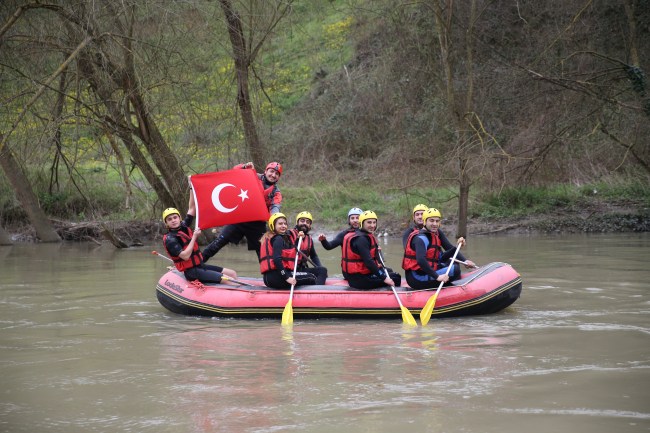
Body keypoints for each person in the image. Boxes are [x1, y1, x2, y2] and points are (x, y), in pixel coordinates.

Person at [206, 161, 283, 260]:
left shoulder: (276, 193)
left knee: (264, 254)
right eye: (271, 171)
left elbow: (275, 208)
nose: (273, 175)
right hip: (240, 218)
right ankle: (198, 263)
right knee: (218, 243)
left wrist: (277, 221)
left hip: (257, 225)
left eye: (276, 174)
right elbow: (235, 170)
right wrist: (244, 166)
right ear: (266, 171)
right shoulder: (252, 175)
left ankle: (270, 275)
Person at [162, 192, 237, 285]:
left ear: (179, 218)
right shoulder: (170, 239)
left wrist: (191, 188)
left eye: (175, 217)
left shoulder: (184, 226)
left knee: (232, 273)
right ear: (166, 224)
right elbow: (185, 256)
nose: (173, 220)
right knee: (228, 280)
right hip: (191, 272)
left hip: (200, 266)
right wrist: (194, 236)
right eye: (169, 219)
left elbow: (192, 208)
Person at [402, 208, 476, 290]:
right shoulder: (420, 238)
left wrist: (457, 247)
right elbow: (421, 260)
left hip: (426, 272)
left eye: (437, 221)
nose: (435, 224)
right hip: (417, 277)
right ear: (424, 222)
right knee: (455, 270)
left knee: (453, 265)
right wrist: (437, 277)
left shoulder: (432, 235)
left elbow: (440, 258)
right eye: (431, 221)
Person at [341, 210, 402, 290]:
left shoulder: (365, 235)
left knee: (389, 270)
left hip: (361, 274)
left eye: (374, 222)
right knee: (396, 277)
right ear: (362, 223)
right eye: (369, 223)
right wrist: (385, 278)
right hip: (359, 279)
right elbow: (369, 262)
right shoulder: (361, 239)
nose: (372, 225)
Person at [259, 213, 320, 289]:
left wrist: (298, 239)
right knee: (312, 277)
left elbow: (292, 252)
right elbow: (277, 259)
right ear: (273, 225)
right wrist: (287, 277)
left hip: (268, 278)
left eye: (285, 224)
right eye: (280, 224)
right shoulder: (278, 239)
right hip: (277, 277)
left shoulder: (269, 237)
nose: (283, 226)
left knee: (309, 276)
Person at [289, 211, 328, 284]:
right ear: (297, 223)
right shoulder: (289, 234)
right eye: (302, 221)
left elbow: (314, 256)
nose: (305, 223)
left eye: (307, 222)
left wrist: (319, 268)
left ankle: (317, 291)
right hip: (290, 271)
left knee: (323, 270)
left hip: (301, 269)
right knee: (311, 277)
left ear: (310, 226)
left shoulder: (309, 239)